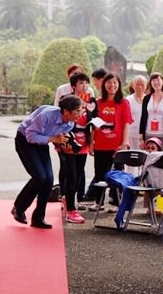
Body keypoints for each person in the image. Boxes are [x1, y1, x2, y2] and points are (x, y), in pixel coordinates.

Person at [13, 95, 81, 228]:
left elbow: (57, 139)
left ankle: (38, 218)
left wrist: (63, 145)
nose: (81, 113)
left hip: (42, 143)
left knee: (49, 179)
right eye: (77, 111)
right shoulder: (46, 115)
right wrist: (53, 139)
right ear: (66, 111)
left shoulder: (70, 123)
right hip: (25, 140)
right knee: (39, 176)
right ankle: (19, 208)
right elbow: (30, 135)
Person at [87, 73, 133, 213]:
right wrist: (91, 143)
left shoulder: (124, 102)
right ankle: (98, 202)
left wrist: (124, 143)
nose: (112, 85)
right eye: (109, 83)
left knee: (116, 175)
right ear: (104, 85)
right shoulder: (98, 103)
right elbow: (94, 125)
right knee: (99, 173)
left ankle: (115, 202)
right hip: (100, 144)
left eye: (114, 83)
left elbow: (126, 124)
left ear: (118, 85)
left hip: (117, 146)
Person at [58, 74, 95, 224]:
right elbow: (59, 120)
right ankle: (71, 210)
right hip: (68, 142)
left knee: (78, 174)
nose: (84, 85)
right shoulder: (67, 100)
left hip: (83, 142)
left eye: (86, 83)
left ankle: (68, 198)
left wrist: (92, 143)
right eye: (81, 83)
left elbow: (93, 122)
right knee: (71, 175)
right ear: (74, 86)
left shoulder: (90, 101)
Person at [139, 72, 163, 147]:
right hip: (148, 134)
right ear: (150, 83)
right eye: (153, 80)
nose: (156, 82)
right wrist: (141, 137)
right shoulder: (147, 98)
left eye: (158, 80)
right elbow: (143, 117)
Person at [126, 75, 147, 150]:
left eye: (142, 85)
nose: (140, 87)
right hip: (130, 136)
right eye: (137, 84)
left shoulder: (149, 100)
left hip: (144, 136)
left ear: (146, 86)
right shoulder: (127, 100)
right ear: (133, 85)